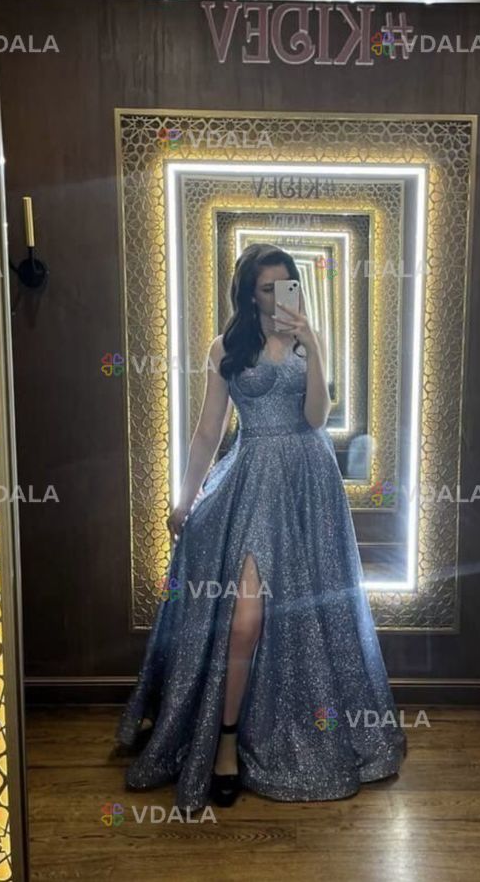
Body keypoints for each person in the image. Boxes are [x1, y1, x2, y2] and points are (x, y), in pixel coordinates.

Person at [116, 243, 406, 809]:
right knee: (245, 618)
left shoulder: (305, 341)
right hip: (252, 482)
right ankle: (224, 742)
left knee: (313, 613)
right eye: (267, 288)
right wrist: (185, 499)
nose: (277, 297)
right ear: (250, 293)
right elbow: (208, 430)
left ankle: (289, 728)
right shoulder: (226, 348)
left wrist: (314, 344)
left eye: (285, 285)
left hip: (308, 485)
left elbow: (317, 418)